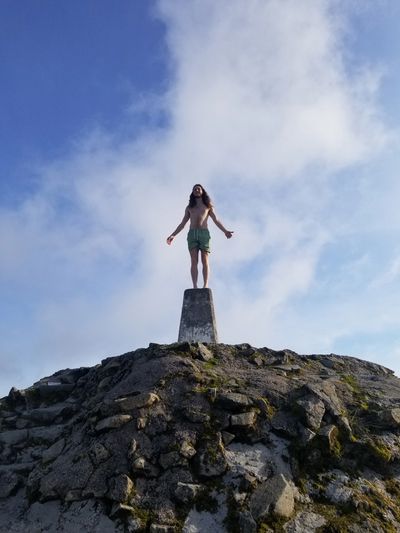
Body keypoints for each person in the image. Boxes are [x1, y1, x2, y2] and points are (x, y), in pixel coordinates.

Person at [167, 184, 234, 288]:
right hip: (192, 234)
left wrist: (225, 231)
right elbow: (183, 223)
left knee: (205, 259)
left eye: (199, 189)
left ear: (202, 191)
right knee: (194, 260)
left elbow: (216, 219)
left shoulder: (208, 206)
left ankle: (205, 285)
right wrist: (173, 235)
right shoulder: (189, 207)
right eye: (195, 189)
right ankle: (194, 285)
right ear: (193, 193)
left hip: (204, 233)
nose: (197, 190)